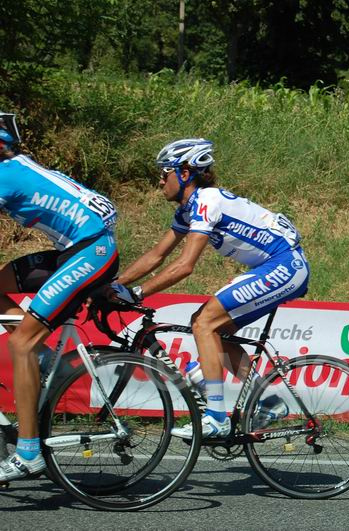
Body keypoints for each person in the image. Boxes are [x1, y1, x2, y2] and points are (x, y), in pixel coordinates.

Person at [112, 138, 309, 439]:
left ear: (185, 173)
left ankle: (216, 417)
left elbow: (185, 265)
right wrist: (114, 285)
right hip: (275, 265)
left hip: (285, 264)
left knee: (203, 322)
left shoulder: (207, 201)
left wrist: (137, 293)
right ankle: (269, 401)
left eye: (165, 173)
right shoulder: (188, 210)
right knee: (214, 330)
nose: (160, 181)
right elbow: (157, 255)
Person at [0, 112, 119, 481]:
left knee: (19, 344)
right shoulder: (17, 167)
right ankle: (43, 357)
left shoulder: (6, 176)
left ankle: (28, 453)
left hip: (91, 251)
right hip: (77, 248)